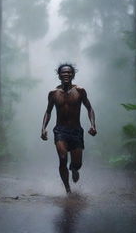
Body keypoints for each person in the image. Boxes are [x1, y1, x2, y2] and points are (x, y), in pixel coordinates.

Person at [41, 63, 97, 193]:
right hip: (60, 131)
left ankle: (74, 169)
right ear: (59, 75)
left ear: (73, 74)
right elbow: (48, 111)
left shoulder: (80, 91)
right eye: (63, 72)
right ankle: (67, 189)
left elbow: (89, 108)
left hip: (76, 131)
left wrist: (93, 125)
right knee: (62, 159)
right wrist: (43, 128)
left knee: (77, 164)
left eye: (69, 72)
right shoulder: (53, 94)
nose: (66, 74)